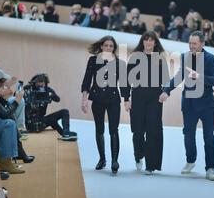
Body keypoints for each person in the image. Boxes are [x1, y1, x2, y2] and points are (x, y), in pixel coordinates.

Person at [159, 31, 214, 181]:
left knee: (209, 137)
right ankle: (190, 161)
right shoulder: (184, 56)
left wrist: (199, 76)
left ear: (202, 44)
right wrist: (167, 90)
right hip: (189, 103)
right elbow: (179, 76)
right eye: (190, 43)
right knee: (188, 134)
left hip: (206, 104)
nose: (191, 46)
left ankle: (210, 168)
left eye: (195, 43)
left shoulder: (211, 59)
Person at [81, 36, 129, 174]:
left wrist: (127, 99)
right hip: (97, 99)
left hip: (113, 99)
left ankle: (115, 161)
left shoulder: (120, 64)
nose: (108, 48)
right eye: (106, 45)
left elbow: (124, 83)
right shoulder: (93, 61)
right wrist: (84, 99)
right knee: (99, 129)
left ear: (114, 48)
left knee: (114, 130)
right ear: (101, 46)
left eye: (111, 46)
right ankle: (102, 159)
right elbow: (87, 80)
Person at [127, 31, 169, 175]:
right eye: (146, 40)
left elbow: (166, 80)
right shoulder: (134, 57)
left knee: (153, 131)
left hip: (154, 99)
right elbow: (127, 80)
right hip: (138, 97)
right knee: (137, 131)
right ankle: (139, 155)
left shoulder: (160, 59)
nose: (149, 42)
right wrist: (126, 99)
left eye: (151, 40)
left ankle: (150, 165)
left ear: (155, 43)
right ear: (143, 42)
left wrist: (166, 92)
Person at [24, 73, 77, 141]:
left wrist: (51, 95)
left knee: (64, 112)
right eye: (38, 85)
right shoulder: (28, 90)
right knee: (52, 120)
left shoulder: (47, 90)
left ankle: (65, 133)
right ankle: (64, 133)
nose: (40, 88)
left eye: (42, 85)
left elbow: (57, 99)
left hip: (41, 121)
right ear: (34, 83)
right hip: (31, 123)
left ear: (45, 83)